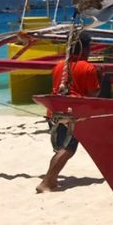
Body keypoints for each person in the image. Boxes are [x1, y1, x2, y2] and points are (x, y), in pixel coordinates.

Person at [38, 32, 101, 193]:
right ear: (85, 48)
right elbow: (93, 94)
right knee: (69, 149)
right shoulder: (88, 67)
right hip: (71, 113)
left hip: (54, 111)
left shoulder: (59, 65)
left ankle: (50, 179)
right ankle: (47, 181)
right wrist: (100, 77)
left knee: (62, 148)